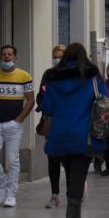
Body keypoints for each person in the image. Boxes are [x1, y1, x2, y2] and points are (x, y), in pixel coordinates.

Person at [40, 42, 108, 218]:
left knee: (71, 174)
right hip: (83, 134)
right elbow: (104, 99)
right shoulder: (92, 76)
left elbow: (47, 107)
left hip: (59, 134)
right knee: (78, 176)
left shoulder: (53, 78)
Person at [0, 45, 34, 208]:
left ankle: (11, 194)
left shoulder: (24, 76)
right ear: (0, 57)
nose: (6, 57)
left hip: (13, 125)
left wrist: (19, 119)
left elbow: (30, 100)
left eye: (10, 54)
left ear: (15, 57)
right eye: (3, 54)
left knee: (12, 160)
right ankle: (2, 185)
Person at [36, 45, 67, 209]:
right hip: (52, 122)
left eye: (61, 56)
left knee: (69, 158)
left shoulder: (75, 75)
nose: (57, 59)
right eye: (55, 56)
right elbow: (40, 96)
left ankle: (77, 186)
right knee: (53, 158)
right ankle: (55, 194)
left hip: (69, 122)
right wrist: (45, 107)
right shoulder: (48, 74)